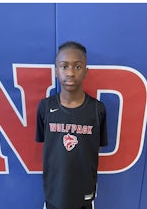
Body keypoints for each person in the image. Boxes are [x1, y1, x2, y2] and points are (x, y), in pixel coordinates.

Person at [35, 41, 108, 209]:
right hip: (54, 193)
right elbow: (46, 142)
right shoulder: (45, 107)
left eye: (77, 67)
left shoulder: (98, 110)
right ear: (56, 71)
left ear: (86, 72)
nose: (70, 73)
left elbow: (96, 147)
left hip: (84, 193)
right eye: (64, 66)